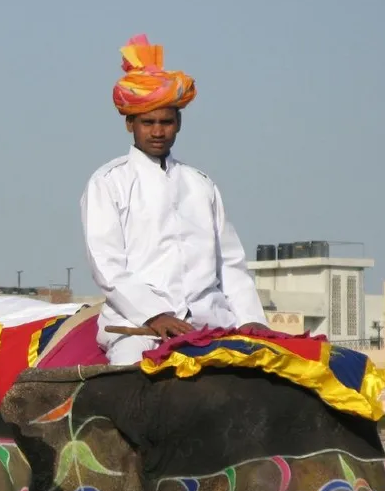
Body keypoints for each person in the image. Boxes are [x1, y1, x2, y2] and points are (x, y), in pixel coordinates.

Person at [80, 34, 269, 365]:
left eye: (166, 122)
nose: (157, 131)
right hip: (138, 330)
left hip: (211, 326)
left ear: (178, 124)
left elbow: (231, 264)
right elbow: (108, 267)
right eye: (147, 122)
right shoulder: (107, 183)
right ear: (130, 124)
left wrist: (251, 318)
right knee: (132, 386)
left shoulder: (202, 184)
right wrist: (156, 315)